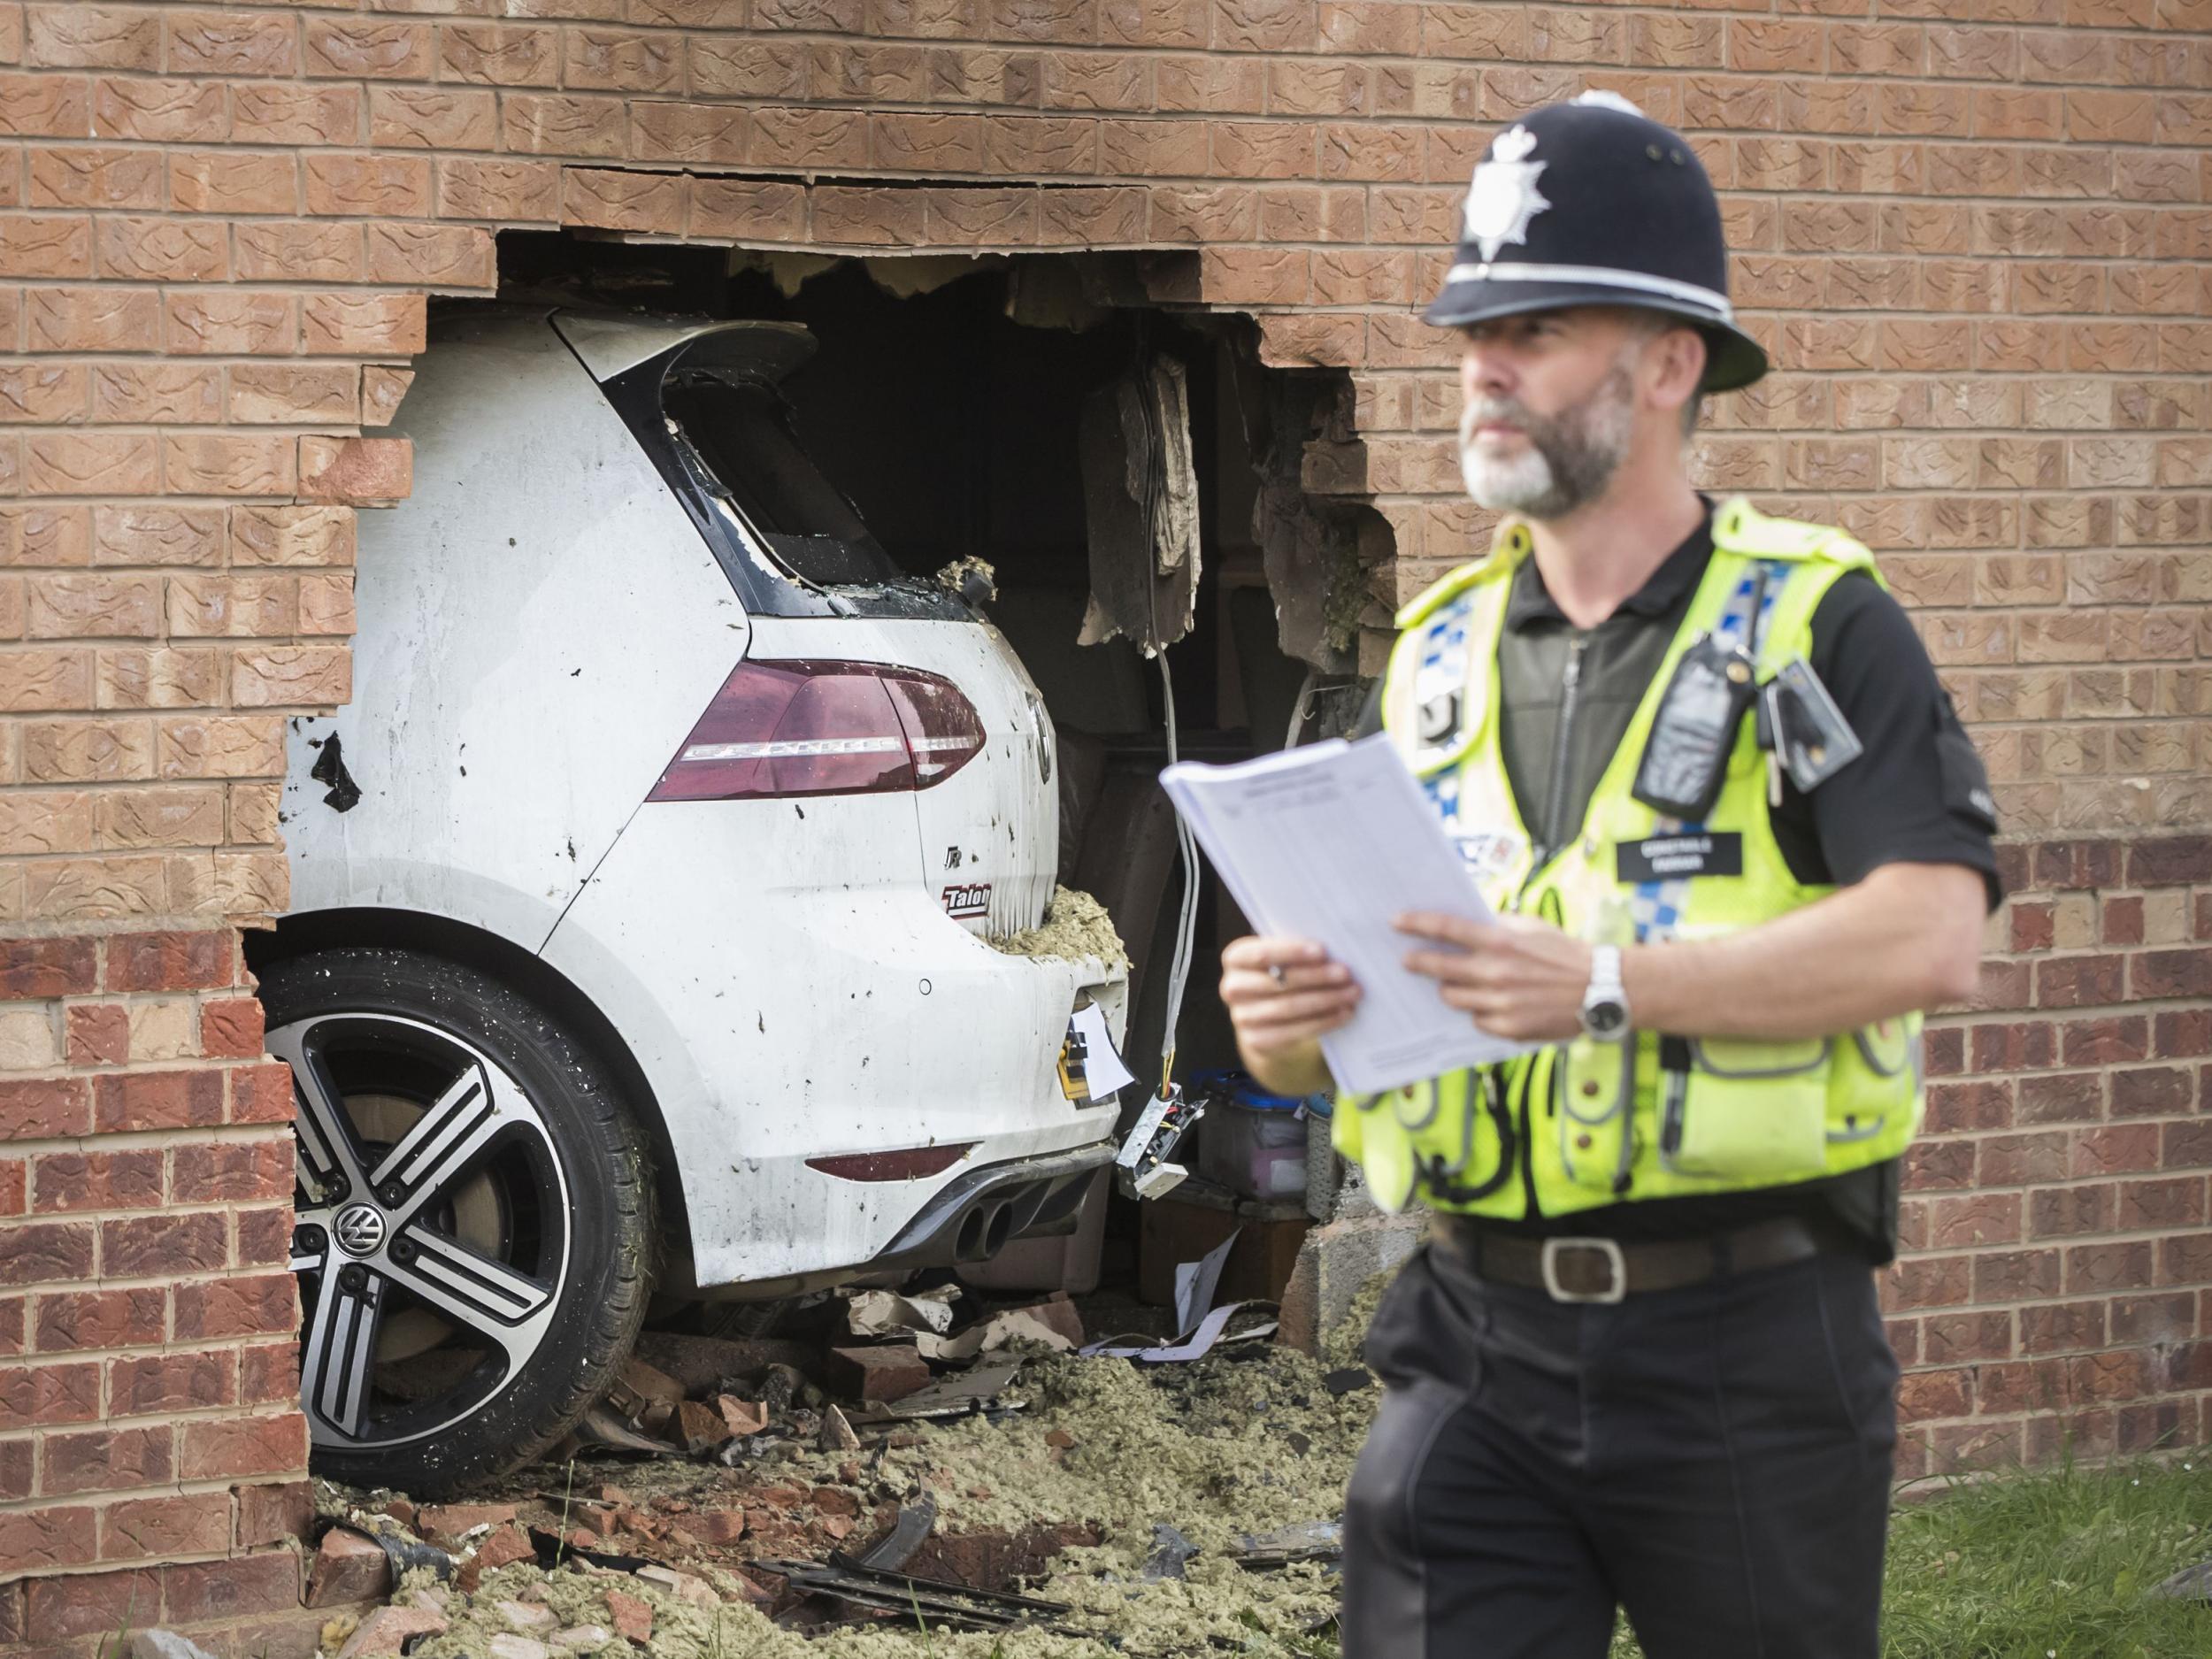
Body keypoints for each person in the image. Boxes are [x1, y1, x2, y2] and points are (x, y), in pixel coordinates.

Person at [1218, 95, 2001, 1658]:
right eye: (1473, 330)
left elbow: (1935, 933)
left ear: (1668, 361)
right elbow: (1338, 1030)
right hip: (1471, 1337)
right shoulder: (1434, 662)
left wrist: (1602, 988)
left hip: (1748, 1345)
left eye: (1539, 327)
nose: (1485, 367)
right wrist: (1282, 1020)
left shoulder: (1816, 624)